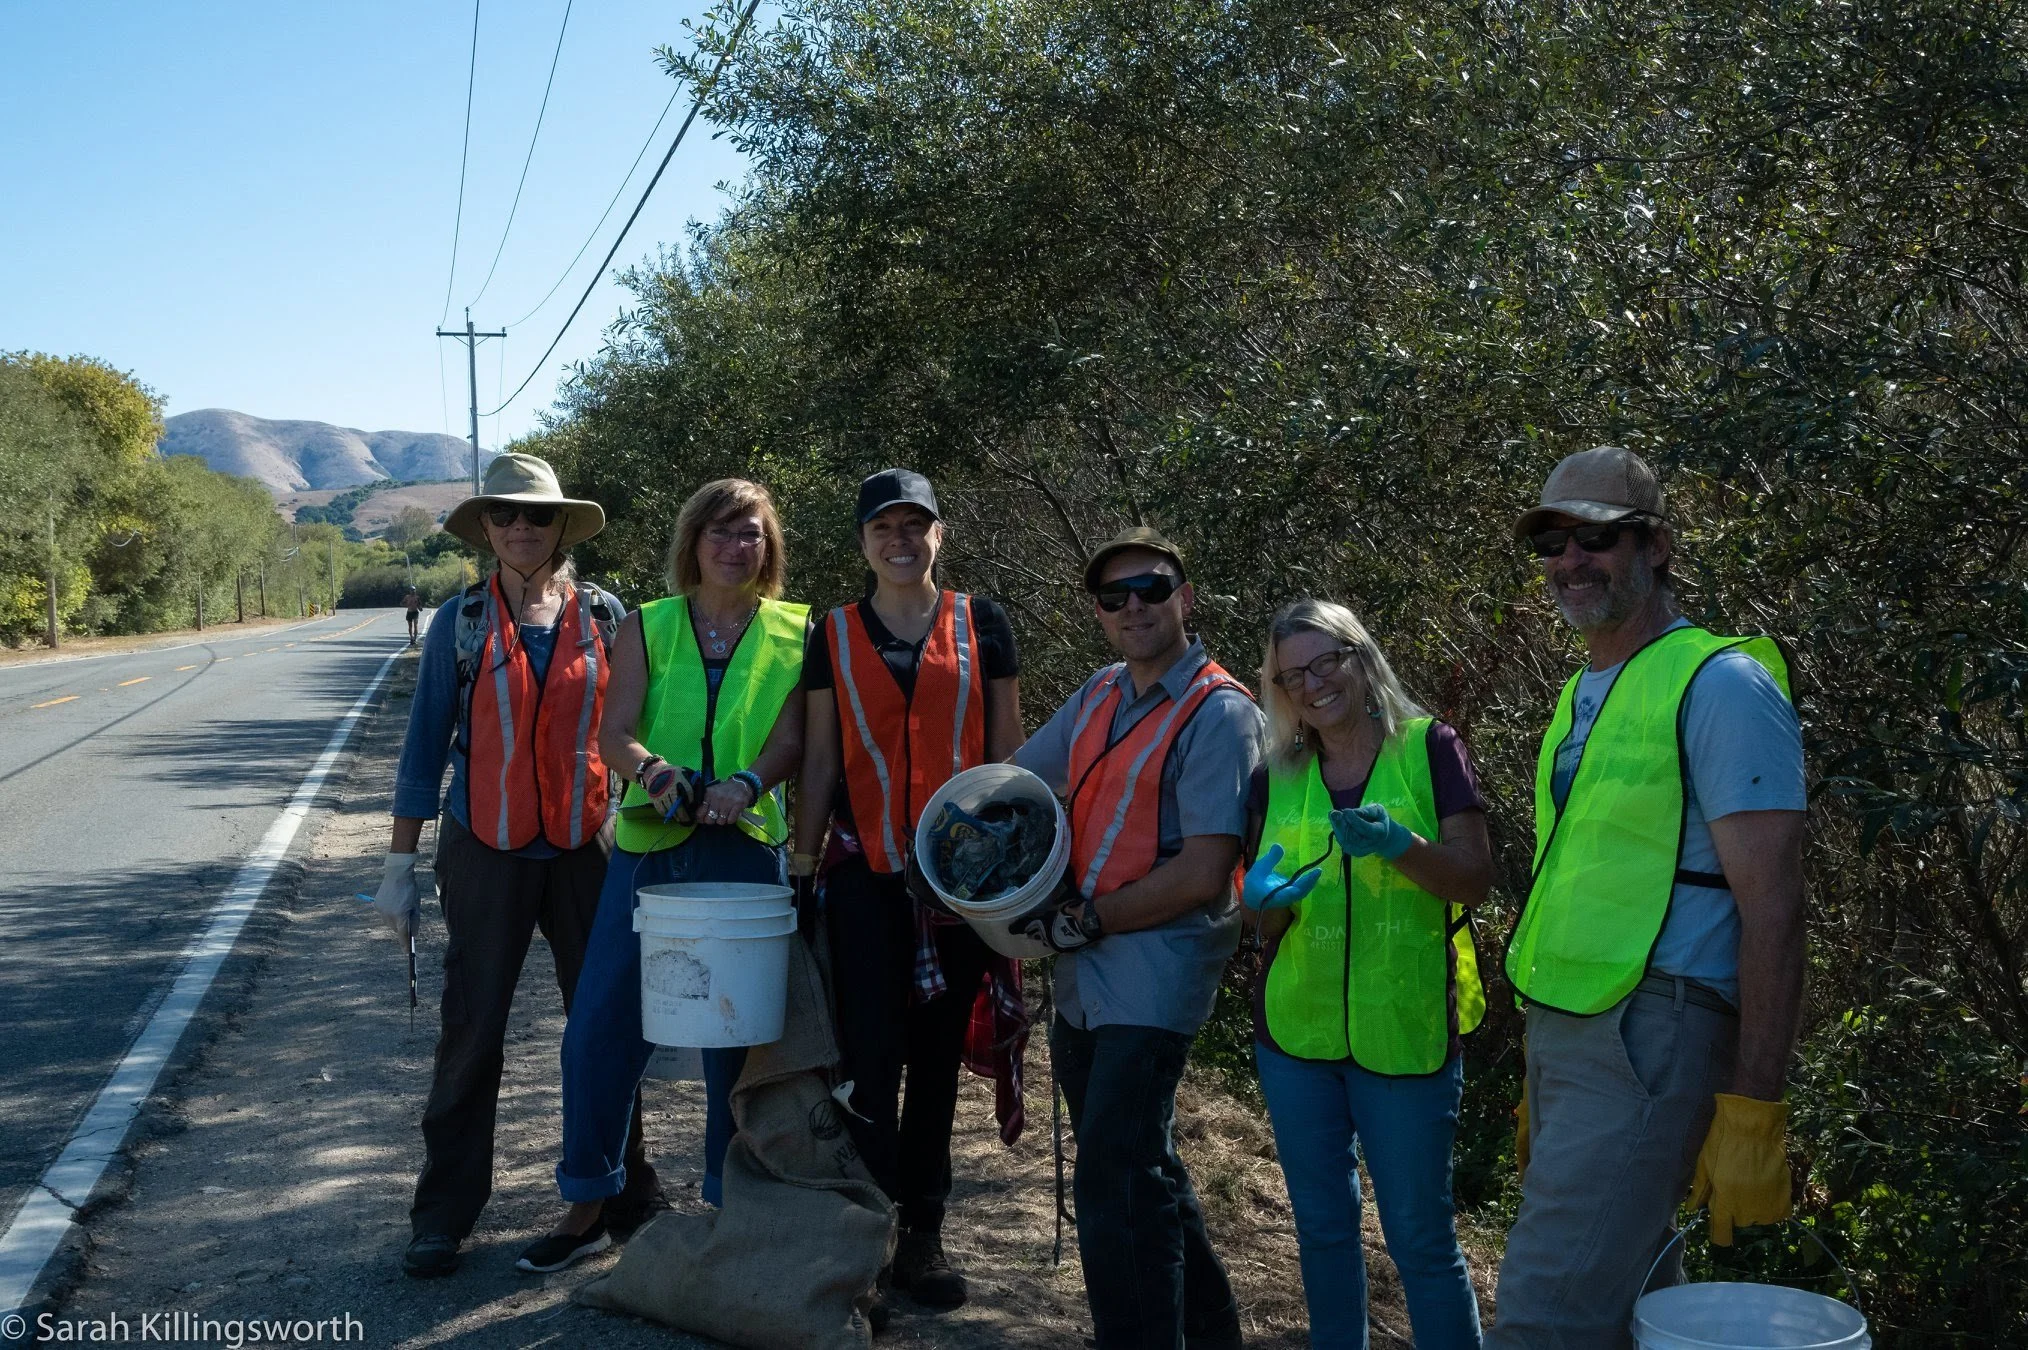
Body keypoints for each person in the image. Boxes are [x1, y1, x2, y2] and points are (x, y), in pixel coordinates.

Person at [1486, 447, 1806, 1348]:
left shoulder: (1722, 683)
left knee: (1542, 1319)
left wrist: (1753, 1107)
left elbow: (1776, 906)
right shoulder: (1582, 692)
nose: (1568, 561)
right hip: (1575, 1037)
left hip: (1655, 1033)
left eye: (1596, 537)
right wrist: (1546, 1068)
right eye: (1552, 541)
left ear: (1656, 545)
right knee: (1628, 1316)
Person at [519, 478, 808, 1274]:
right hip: (651, 849)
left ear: (768, 546)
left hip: (746, 847)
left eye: (749, 532)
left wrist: (747, 783)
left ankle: (726, 1205)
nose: (734, 545)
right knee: (600, 1029)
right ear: (693, 541)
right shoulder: (649, 624)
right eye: (719, 530)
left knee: (732, 1040)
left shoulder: (796, 629)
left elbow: (791, 741)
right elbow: (615, 733)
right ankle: (586, 1203)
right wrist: (652, 772)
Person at [374, 452, 651, 1279]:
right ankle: (443, 1214)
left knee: (606, 1026)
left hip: (589, 844)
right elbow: (424, 748)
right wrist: (399, 862)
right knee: (472, 1030)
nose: (521, 528)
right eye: (504, 516)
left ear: (563, 526)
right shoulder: (460, 624)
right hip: (483, 846)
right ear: (486, 529)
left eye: (536, 516)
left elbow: (641, 726)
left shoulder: (610, 616)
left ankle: (630, 1197)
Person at [1011, 526, 1263, 1350]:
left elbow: (1202, 873)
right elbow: (1019, 782)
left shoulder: (1221, 713)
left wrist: (1086, 918)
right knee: (1139, 1167)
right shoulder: (1098, 693)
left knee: (1114, 1178)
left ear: (1185, 599)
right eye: (1114, 598)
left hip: (1154, 974)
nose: (1133, 608)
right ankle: (1210, 1336)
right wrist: (951, 839)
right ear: (1099, 615)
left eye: (1150, 589)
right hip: (1085, 975)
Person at [792, 468, 1026, 1312]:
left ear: (939, 535)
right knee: (866, 1060)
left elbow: (1008, 755)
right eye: (883, 527)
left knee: (932, 1062)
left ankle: (921, 1237)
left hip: (960, 885)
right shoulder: (836, 631)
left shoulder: (982, 623)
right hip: (864, 878)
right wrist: (803, 862)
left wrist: (1017, 874)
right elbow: (819, 760)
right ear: (862, 541)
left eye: (914, 525)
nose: (900, 540)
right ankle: (865, 1238)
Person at [1241, 599, 1491, 1350]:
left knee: (1420, 1240)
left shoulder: (1430, 748)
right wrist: (1262, 907)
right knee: (1321, 1231)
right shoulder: (1274, 777)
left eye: (1327, 662)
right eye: (1293, 676)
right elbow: (1263, 922)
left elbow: (1474, 880)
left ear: (1360, 657)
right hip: (1295, 1034)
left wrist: (1402, 846)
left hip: (1405, 1032)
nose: (1314, 685)